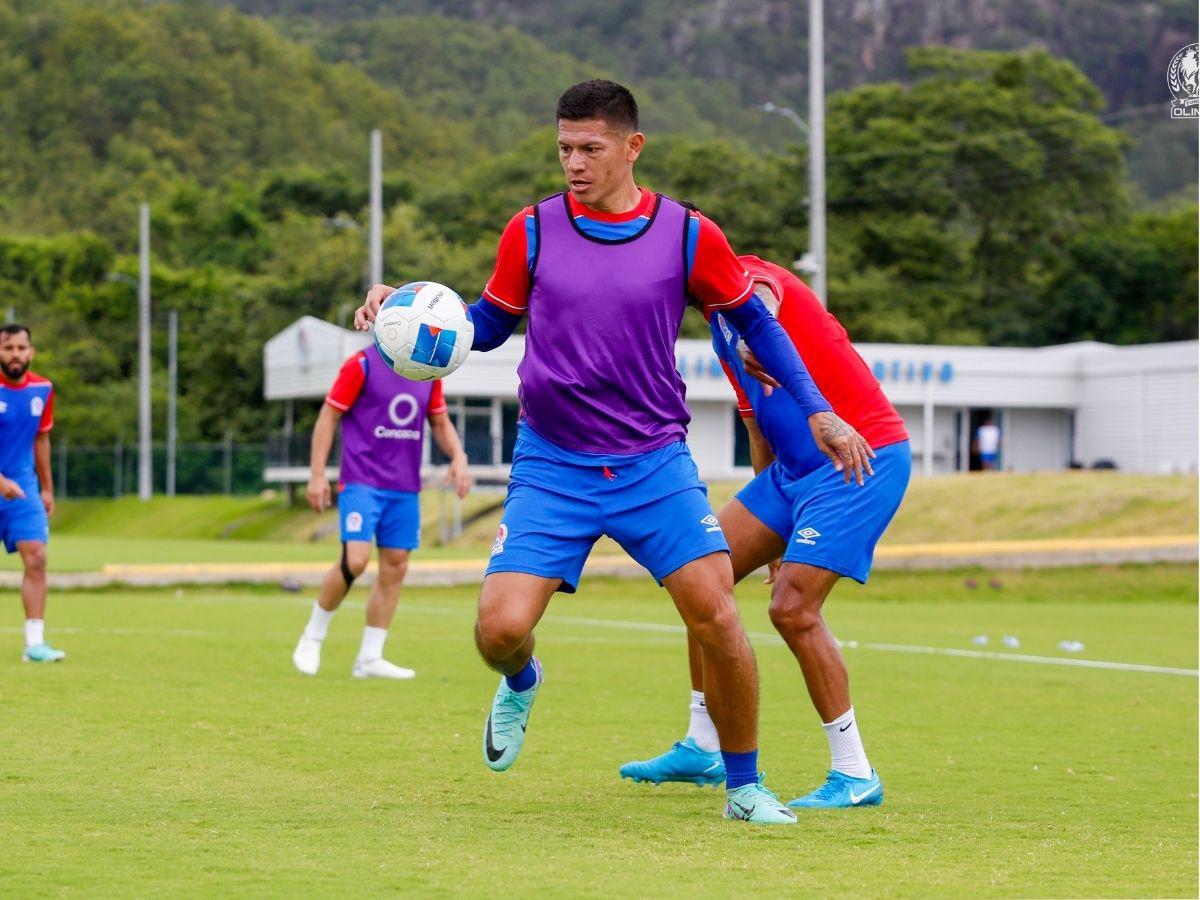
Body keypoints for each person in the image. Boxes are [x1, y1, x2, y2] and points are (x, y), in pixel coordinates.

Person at [355, 80, 873, 824]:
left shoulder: (690, 234)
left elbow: (759, 326)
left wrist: (818, 410)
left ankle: (745, 786)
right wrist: (408, 306)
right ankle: (523, 680)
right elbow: (486, 326)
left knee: (717, 616)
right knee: (497, 631)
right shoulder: (530, 231)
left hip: (652, 463)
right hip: (553, 462)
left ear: (632, 148)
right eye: (564, 148)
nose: (573, 162)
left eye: (590, 148)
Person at [620, 255, 911, 809]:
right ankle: (704, 745)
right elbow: (757, 425)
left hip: (861, 458)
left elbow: (765, 301)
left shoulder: (751, 277)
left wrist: (762, 327)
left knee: (792, 609)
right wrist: (774, 531)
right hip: (790, 476)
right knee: (700, 571)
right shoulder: (717, 329)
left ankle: (855, 773)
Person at [291, 344, 472, 679]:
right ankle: (313, 635)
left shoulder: (427, 370)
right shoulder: (362, 364)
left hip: (404, 486)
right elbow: (329, 415)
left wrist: (459, 456)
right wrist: (317, 475)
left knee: (396, 567)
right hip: (362, 481)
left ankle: (370, 657)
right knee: (355, 560)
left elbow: (440, 421)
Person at [0, 324, 63, 663]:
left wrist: (47, 489)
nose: (15, 355)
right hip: (3, 484)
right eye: (8, 348)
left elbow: (41, 439)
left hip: (22, 489)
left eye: (21, 348)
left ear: (31, 352)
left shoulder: (43, 389)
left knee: (37, 557)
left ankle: (34, 645)